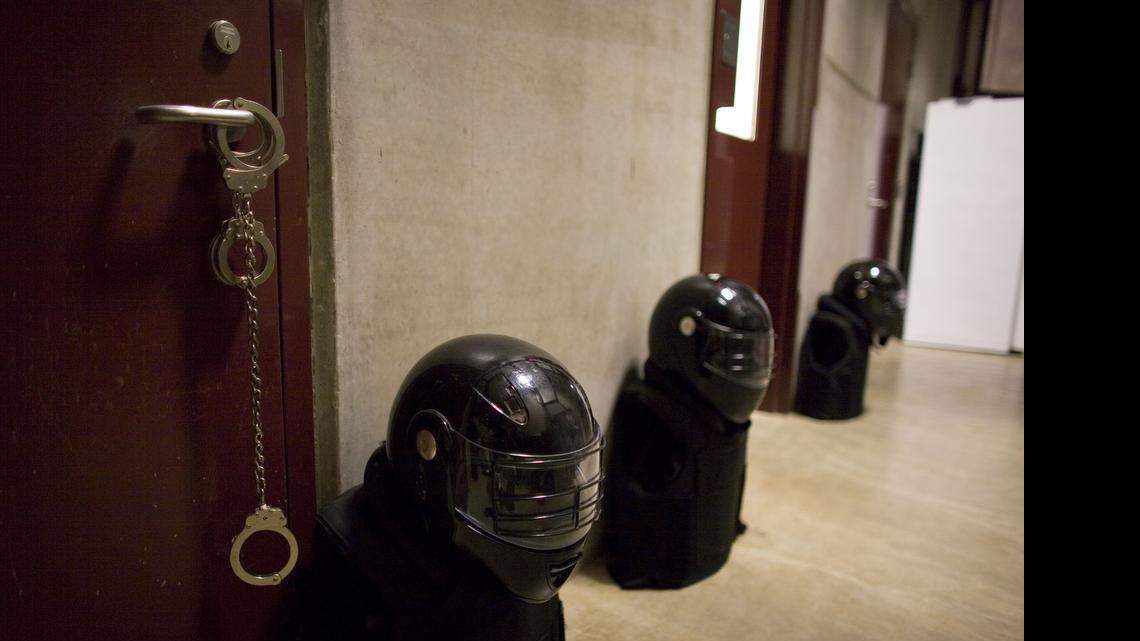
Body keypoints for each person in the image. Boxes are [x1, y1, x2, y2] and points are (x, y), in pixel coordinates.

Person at [284, 334, 603, 641]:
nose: (545, 508)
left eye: (551, 482)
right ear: (429, 455)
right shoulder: (355, 549)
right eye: (515, 485)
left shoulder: (523, 546)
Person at [604, 274, 774, 589]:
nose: (748, 366)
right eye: (731, 353)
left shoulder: (711, 417)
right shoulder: (654, 411)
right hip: (670, 567)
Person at [794, 259, 907, 419]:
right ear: (860, 294)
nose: (889, 311)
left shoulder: (855, 329)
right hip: (828, 412)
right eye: (885, 302)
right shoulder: (835, 327)